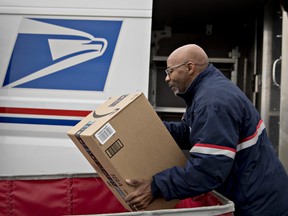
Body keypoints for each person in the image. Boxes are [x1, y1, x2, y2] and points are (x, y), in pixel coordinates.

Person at [125, 44, 288, 216]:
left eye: (169, 71)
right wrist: (148, 129)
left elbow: (208, 169)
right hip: (257, 197)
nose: (167, 78)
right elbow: (192, 133)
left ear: (189, 68)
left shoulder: (213, 102)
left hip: (260, 206)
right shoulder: (206, 92)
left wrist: (155, 187)